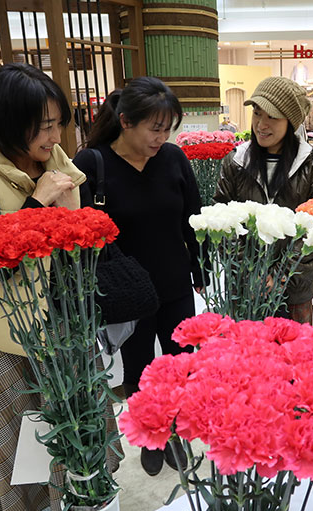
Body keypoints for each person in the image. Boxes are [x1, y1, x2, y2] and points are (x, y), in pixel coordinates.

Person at [0, 63, 120, 511]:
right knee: (25, 446)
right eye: (43, 126)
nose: (56, 134)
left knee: (79, 432)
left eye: (59, 122)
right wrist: (37, 202)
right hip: (11, 336)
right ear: (5, 123)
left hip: (67, 326)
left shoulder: (60, 163)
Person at [73, 78, 204, 476]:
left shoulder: (173, 159)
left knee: (181, 363)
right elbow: (83, 234)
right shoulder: (92, 164)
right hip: (126, 294)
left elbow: (192, 219)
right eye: (154, 128)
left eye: (168, 129)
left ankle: (177, 429)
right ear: (126, 121)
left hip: (175, 282)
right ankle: (153, 433)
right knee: (139, 369)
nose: (161, 137)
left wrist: (199, 267)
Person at [214, 76, 313, 324]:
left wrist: (280, 275)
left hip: (295, 287)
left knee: (294, 354)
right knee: (248, 354)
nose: (261, 124)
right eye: (257, 113)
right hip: (245, 287)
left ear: (290, 122)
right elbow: (221, 220)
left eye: (272, 117)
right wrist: (251, 272)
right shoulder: (235, 162)